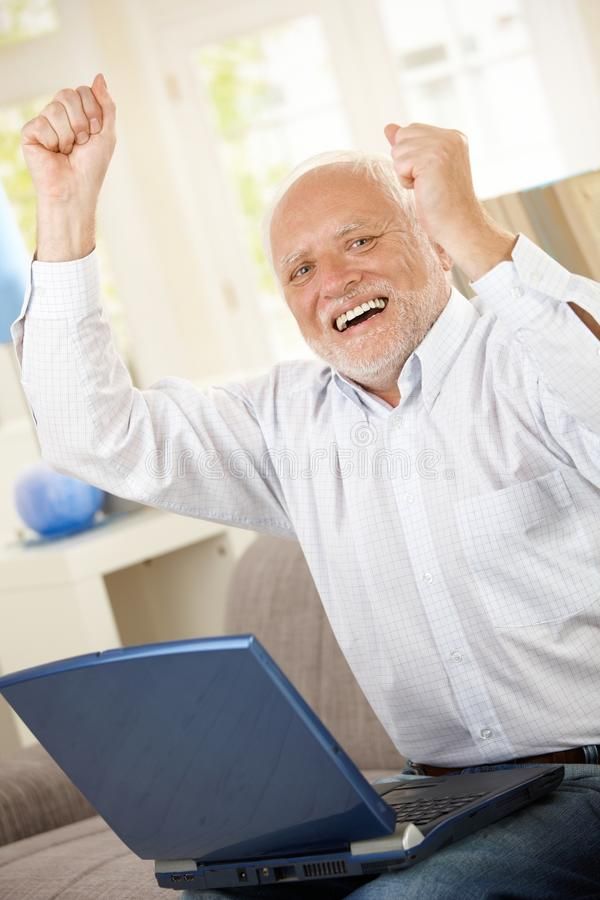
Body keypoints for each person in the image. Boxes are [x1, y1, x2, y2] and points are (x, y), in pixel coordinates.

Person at [13, 74, 600, 899]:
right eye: (300, 269)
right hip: (431, 794)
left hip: (585, 786)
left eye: (360, 241)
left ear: (433, 243)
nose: (335, 281)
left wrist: (475, 228)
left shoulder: (527, 355)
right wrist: (66, 209)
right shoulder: (285, 424)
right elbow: (89, 435)